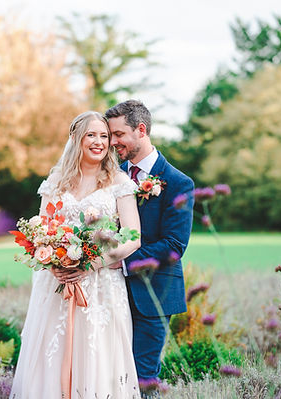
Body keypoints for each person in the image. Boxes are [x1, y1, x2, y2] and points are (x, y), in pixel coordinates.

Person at [10, 111, 142, 399]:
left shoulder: (118, 181)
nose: (99, 142)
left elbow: (133, 237)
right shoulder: (56, 181)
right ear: (75, 138)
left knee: (97, 353)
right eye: (91, 135)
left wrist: (91, 264)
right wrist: (51, 264)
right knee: (52, 351)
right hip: (56, 285)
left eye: (104, 136)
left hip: (101, 286)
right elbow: (41, 231)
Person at [105, 100, 194, 394]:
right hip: (107, 292)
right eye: (109, 135)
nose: (112, 142)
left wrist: (121, 261)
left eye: (118, 134)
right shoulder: (109, 177)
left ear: (141, 130)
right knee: (109, 375)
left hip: (154, 295)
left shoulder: (178, 182)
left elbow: (173, 246)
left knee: (142, 380)